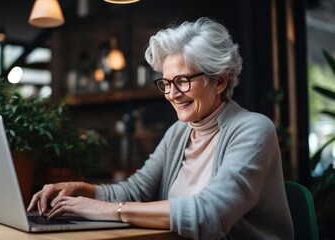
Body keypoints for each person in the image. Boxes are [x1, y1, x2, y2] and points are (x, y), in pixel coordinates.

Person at [27, 17, 294, 239]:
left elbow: (209, 215)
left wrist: (107, 210)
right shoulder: (179, 132)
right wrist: (79, 189)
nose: (172, 94)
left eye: (182, 81)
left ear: (220, 81)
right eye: (166, 83)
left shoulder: (253, 130)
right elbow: (135, 191)